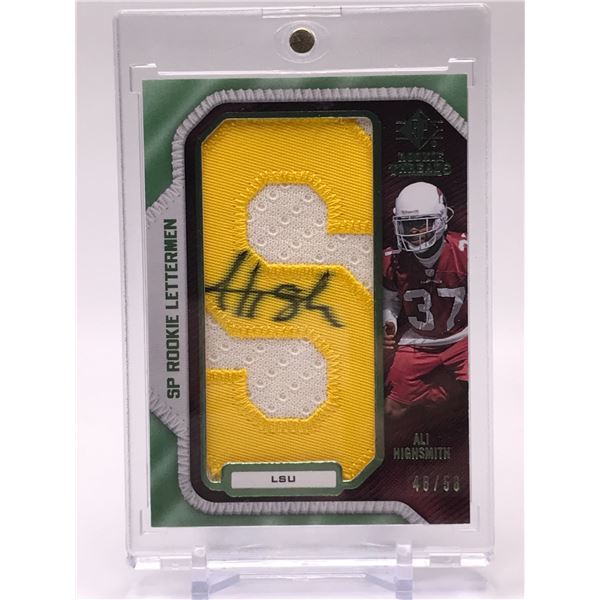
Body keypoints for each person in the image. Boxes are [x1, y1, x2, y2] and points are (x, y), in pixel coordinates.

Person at [383, 182, 468, 418]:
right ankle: (442, 398)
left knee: (483, 391)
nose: (414, 231)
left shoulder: (466, 251)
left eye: (422, 223)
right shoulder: (391, 259)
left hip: (464, 337)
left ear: (441, 219)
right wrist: (388, 321)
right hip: (418, 341)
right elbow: (390, 298)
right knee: (391, 409)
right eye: (408, 224)